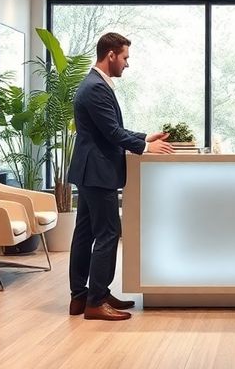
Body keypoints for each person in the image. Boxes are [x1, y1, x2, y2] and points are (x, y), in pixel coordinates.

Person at [67, 32, 174, 321]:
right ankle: (95, 301)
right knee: (108, 233)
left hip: (90, 171)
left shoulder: (93, 84)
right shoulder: (96, 88)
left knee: (85, 234)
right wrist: (146, 148)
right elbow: (112, 133)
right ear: (111, 54)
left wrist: (143, 137)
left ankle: (82, 297)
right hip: (98, 172)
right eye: (125, 57)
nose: (127, 63)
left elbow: (108, 128)